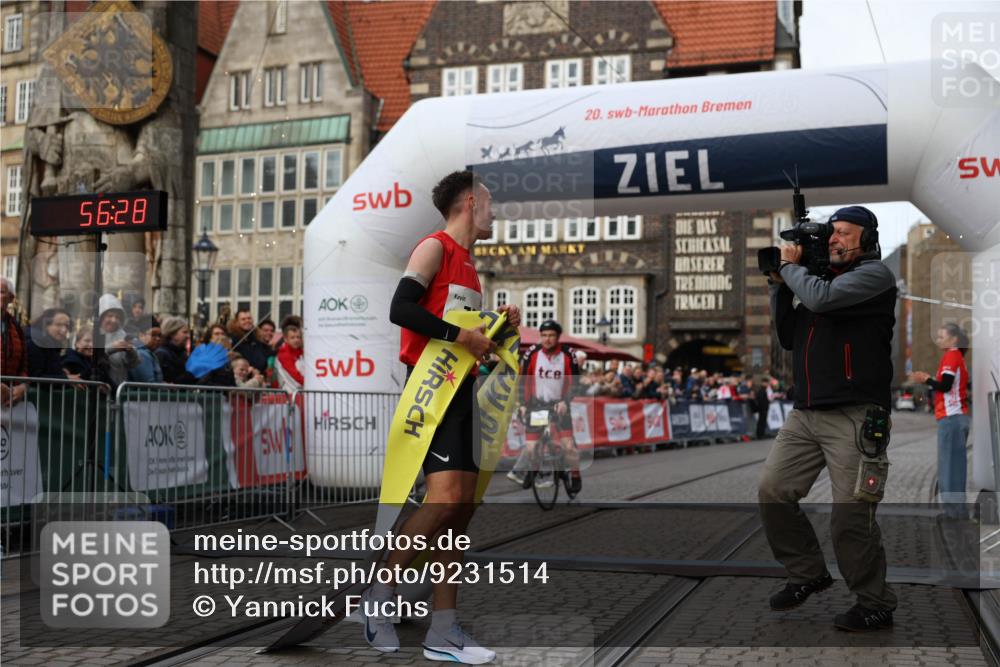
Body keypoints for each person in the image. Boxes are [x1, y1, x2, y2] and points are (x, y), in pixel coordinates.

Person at [363, 170, 520, 663]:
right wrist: (464, 338)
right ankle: (380, 592)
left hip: (462, 390)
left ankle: (443, 630)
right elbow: (401, 309)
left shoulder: (471, 268)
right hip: (430, 394)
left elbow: (463, 338)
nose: (496, 213)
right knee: (447, 498)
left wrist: (494, 334)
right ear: (471, 202)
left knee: (461, 511)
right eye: (491, 203)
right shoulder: (433, 247)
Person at [759, 205, 897, 631]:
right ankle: (807, 574)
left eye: (843, 232)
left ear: (867, 238)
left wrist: (790, 266)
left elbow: (822, 299)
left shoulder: (873, 278)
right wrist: (780, 285)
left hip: (855, 416)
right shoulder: (820, 282)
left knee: (850, 516)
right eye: (830, 234)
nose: (834, 239)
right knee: (773, 491)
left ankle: (875, 602)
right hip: (806, 415)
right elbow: (786, 336)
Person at [507, 319, 582, 494]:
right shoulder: (532, 353)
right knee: (532, 447)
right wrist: (523, 404)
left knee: (568, 446)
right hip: (537, 406)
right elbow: (524, 381)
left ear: (558, 337)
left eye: (551, 336)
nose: (547, 339)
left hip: (559, 405)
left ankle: (576, 475)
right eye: (544, 335)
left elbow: (575, 383)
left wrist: (566, 401)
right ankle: (533, 471)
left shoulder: (568, 354)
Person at [909, 323, 971, 517]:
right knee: (955, 467)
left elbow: (944, 385)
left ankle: (953, 512)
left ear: (953, 339)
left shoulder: (951, 356)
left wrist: (925, 379)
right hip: (955, 417)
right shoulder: (956, 356)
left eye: (942, 336)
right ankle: (956, 510)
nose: (938, 340)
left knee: (949, 467)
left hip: (951, 417)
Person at [95, 295, 141, 386]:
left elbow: (133, 364)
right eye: (109, 316)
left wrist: (131, 352)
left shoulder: (122, 335)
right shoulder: (92, 334)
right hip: (99, 387)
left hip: (119, 387)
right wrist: (112, 348)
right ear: (101, 316)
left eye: (117, 317)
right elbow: (91, 358)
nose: (114, 320)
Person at [1, 277, 28, 406]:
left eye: (1, 292)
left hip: (8, 405)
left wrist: (22, 387)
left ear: (10, 298)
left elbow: (24, 366)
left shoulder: (16, 327)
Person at [26, 308, 72, 379]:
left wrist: (62, 373)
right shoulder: (36, 342)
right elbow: (35, 376)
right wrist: (66, 379)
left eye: (67, 326)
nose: (64, 330)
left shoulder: (52, 344)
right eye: (58, 325)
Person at [228, 309, 272, 374]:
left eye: (249, 318)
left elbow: (266, 353)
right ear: (237, 322)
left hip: (260, 377)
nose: (247, 321)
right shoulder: (233, 338)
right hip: (243, 376)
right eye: (243, 319)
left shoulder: (257, 337)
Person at [156, 316, 196, 384]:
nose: (188, 336)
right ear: (172, 334)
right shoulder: (162, 354)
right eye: (184, 332)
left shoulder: (182, 354)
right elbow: (171, 381)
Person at [129, 316, 164, 384]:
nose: (158, 339)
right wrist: (166, 388)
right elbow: (148, 385)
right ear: (141, 335)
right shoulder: (141, 354)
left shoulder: (148, 352)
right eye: (153, 335)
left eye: (159, 335)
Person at [275, 315, 304, 392]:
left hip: (298, 391)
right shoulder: (284, 353)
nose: (296, 340)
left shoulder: (300, 352)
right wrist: (309, 383)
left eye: (298, 337)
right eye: (293, 337)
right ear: (285, 339)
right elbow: (293, 373)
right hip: (289, 392)